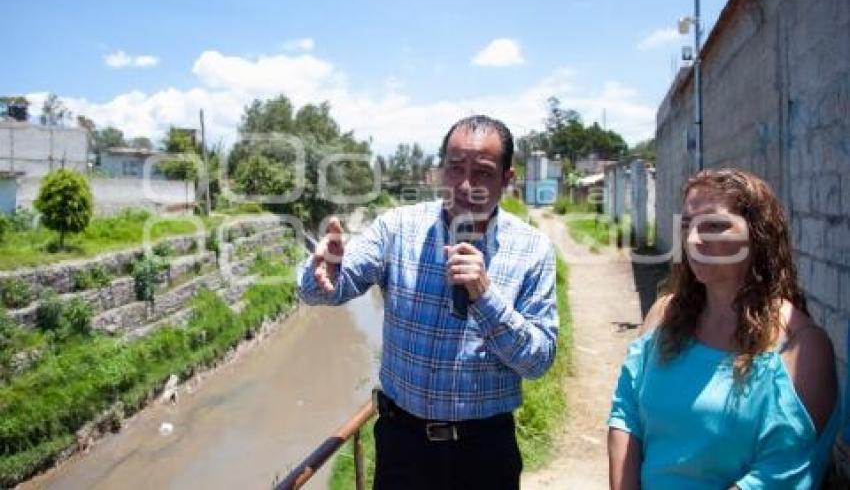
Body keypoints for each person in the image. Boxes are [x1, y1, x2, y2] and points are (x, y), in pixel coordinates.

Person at [297, 115, 558, 490]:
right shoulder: (397, 229)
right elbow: (324, 288)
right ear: (439, 172)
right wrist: (325, 272)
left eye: (483, 173)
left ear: (507, 178)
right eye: (455, 169)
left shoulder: (533, 250)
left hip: (485, 453)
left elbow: (539, 361)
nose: (466, 185)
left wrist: (485, 298)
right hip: (403, 448)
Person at [608, 168, 840, 490]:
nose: (692, 240)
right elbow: (626, 413)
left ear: (758, 234)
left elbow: (778, 473)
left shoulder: (802, 349)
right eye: (687, 226)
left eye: (714, 226)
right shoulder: (664, 315)